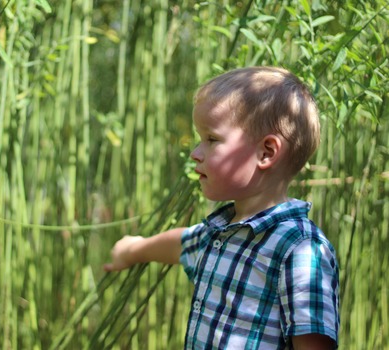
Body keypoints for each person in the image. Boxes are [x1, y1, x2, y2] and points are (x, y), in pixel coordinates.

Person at [103, 66, 340, 349]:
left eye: (211, 139)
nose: (195, 152)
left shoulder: (300, 248)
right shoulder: (220, 233)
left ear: (266, 152)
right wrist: (133, 250)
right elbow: (180, 244)